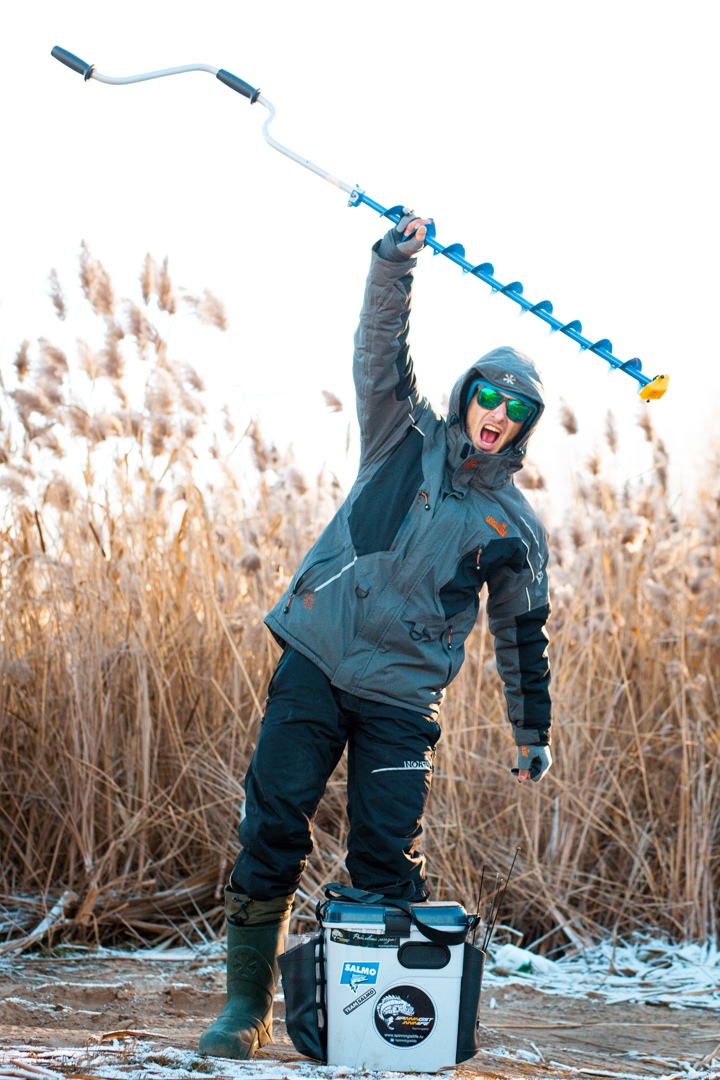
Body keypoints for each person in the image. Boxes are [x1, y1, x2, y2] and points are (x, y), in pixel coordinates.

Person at [199, 214, 553, 1060]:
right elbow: (379, 344)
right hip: (317, 659)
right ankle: (245, 1009)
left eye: (516, 408)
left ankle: (386, 1030)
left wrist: (532, 730)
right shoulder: (402, 435)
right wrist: (396, 263)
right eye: (488, 395)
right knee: (274, 825)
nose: (496, 413)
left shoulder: (513, 527)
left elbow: (522, 633)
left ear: (525, 424)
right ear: (469, 395)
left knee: (387, 856)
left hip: (400, 697)